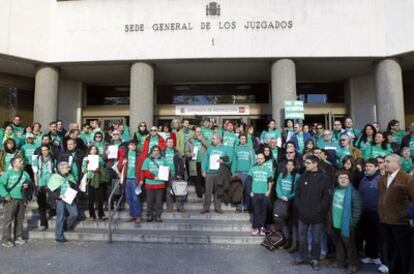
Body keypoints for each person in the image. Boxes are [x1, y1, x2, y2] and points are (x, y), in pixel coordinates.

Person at [292, 155, 331, 271]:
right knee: (302, 236)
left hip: (317, 214)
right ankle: (302, 256)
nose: (306, 165)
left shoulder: (324, 178)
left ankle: (315, 259)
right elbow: (297, 193)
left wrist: (320, 209)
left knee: (316, 238)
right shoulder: (303, 176)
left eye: (308, 163)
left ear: (315, 164)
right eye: (306, 163)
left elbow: (326, 197)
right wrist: (299, 207)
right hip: (303, 213)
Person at [378, 154, 414, 274]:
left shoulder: (407, 179)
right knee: (391, 251)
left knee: (404, 253)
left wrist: (407, 216)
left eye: (388, 161)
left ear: (397, 164)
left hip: (401, 223)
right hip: (385, 221)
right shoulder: (382, 178)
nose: (384, 164)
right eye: (384, 161)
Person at [358, 158, 387, 272]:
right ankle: (371, 256)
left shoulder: (380, 179)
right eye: (367, 166)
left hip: (377, 213)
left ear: (376, 168)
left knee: (381, 238)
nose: (368, 168)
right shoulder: (363, 179)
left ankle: (385, 263)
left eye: (371, 166)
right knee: (368, 236)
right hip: (365, 212)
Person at [330, 170, 362, 274]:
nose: (343, 180)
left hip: (347, 225)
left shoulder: (353, 192)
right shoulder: (336, 190)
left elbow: (357, 210)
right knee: (338, 244)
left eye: (345, 178)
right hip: (336, 223)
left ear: (349, 180)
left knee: (350, 246)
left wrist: (352, 224)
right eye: (340, 178)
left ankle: (352, 265)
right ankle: (340, 261)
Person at [0, 156, 31, 247]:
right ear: (14, 164)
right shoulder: (8, 173)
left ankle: (17, 237)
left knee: (20, 219)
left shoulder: (24, 173)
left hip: (22, 199)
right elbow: (0, 184)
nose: (22, 162)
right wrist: (5, 195)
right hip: (11, 199)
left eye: (22, 160)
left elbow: (29, 181)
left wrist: (27, 184)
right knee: (8, 220)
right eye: (20, 161)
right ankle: (5, 239)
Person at [47, 161, 78, 244]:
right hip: (60, 199)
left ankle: (65, 226)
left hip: (69, 197)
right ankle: (58, 237)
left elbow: (74, 186)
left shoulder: (70, 176)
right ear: (61, 168)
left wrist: (74, 193)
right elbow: (50, 190)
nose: (69, 168)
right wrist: (58, 196)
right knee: (60, 217)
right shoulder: (55, 177)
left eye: (68, 167)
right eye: (67, 167)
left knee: (74, 214)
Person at [201, 133, 233, 214]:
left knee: (218, 191)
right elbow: (205, 160)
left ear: (219, 139)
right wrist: (203, 170)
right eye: (212, 138)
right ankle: (206, 208)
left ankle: (217, 207)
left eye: (214, 138)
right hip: (210, 173)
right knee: (208, 191)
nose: (212, 140)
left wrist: (223, 161)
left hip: (220, 173)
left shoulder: (225, 148)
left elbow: (229, 159)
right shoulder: (210, 148)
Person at [274, 160, 300, 248]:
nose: (289, 166)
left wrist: (288, 197)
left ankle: (294, 242)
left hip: (292, 202)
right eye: (288, 164)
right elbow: (278, 187)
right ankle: (286, 240)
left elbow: (296, 190)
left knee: (292, 223)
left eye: (291, 165)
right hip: (282, 201)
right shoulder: (282, 175)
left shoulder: (297, 176)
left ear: (294, 166)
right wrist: (281, 196)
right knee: (284, 222)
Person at [248, 153, 274, 236]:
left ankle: (262, 228)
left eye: (261, 158)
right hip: (255, 193)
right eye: (258, 158)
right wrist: (250, 192)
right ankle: (256, 228)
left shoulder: (268, 170)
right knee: (256, 211)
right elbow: (249, 182)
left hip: (264, 193)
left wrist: (269, 191)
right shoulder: (253, 169)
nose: (259, 160)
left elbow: (270, 181)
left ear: (264, 160)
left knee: (263, 211)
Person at [118, 141, 143, 223]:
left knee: (136, 198)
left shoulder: (139, 156)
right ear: (128, 146)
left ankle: (138, 215)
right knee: (128, 198)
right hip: (127, 180)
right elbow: (118, 167)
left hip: (135, 179)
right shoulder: (124, 155)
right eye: (131, 144)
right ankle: (131, 214)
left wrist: (141, 179)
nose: (133, 146)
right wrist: (122, 163)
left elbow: (141, 169)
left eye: (134, 144)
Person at [140, 145, 167, 222]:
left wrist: (163, 176)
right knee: (150, 201)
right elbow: (145, 171)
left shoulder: (163, 160)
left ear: (159, 151)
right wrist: (153, 177)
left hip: (160, 183)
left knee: (159, 202)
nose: (156, 152)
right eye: (154, 150)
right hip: (150, 184)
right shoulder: (147, 160)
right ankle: (149, 215)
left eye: (157, 150)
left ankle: (158, 216)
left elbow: (166, 169)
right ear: (151, 151)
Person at [32, 145, 56, 230]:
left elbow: (55, 171)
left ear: (49, 150)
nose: (44, 152)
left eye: (46, 150)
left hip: (51, 183)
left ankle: (52, 211)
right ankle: (43, 223)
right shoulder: (37, 160)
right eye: (42, 150)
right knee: (41, 205)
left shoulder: (53, 159)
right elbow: (35, 173)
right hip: (41, 183)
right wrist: (36, 184)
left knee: (52, 200)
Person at [82, 145, 107, 220]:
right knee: (91, 198)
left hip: (98, 179)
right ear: (89, 150)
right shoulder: (86, 158)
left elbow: (103, 169)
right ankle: (92, 214)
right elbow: (83, 170)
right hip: (90, 178)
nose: (94, 150)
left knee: (100, 198)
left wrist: (99, 169)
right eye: (92, 149)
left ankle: (101, 214)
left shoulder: (100, 158)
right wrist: (87, 166)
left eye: (95, 149)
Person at [232, 134, 256, 213]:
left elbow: (253, 161)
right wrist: (234, 172)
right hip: (239, 173)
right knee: (239, 191)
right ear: (239, 140)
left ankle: (246, 206)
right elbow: (234, 162)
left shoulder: (250, 149)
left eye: (244, 139)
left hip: (248, 173)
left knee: (247, 191)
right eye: (241, 139)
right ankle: (239, 207)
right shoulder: (236, 149)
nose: (243, 140)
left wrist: (253, 172)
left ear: (246, 140)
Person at [162, 138, 185, 212]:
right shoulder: (162, 152)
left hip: (175, 173)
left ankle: (180, 207)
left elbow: (181, 163)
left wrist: (180, 174)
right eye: (169, 142)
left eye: (171, 142)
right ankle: (169, 207)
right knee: (168, 191)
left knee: (178, 191)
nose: (170, 143)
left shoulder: (177, 152)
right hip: (166, 174)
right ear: (166, 143)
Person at [185, 127, 209, 199]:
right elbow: (186, 152)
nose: (199, 133)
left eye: (200, 131)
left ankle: (205, 192)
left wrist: (202, 139)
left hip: (203, 162)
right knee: (197, 179)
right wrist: (190, 154)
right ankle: (199, 194)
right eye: (197, 131)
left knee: (204, 178)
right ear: (195, 132)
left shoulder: (205, 139)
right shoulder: (190, 141)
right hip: (195, 162)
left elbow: (209, 146)